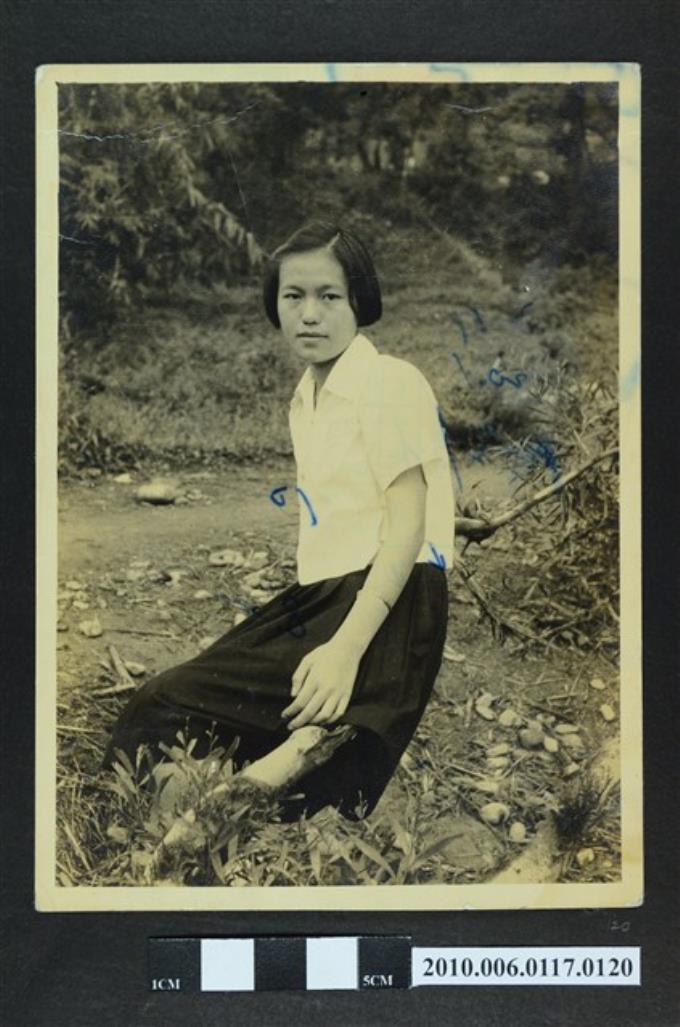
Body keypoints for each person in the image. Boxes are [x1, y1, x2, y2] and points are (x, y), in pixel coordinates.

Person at [102, 220, 455, 821]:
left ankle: (202, 819)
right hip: (321, 600)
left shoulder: (388, 381)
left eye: (329, 296)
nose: (309, 315)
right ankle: (186, 815)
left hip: (382, 610)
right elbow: (375, 500)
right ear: (275, 304)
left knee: (170, 712)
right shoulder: (307, 396)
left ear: (360, 301)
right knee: (164, 708)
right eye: (294, 296)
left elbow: (407, 528)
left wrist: (345, 652)